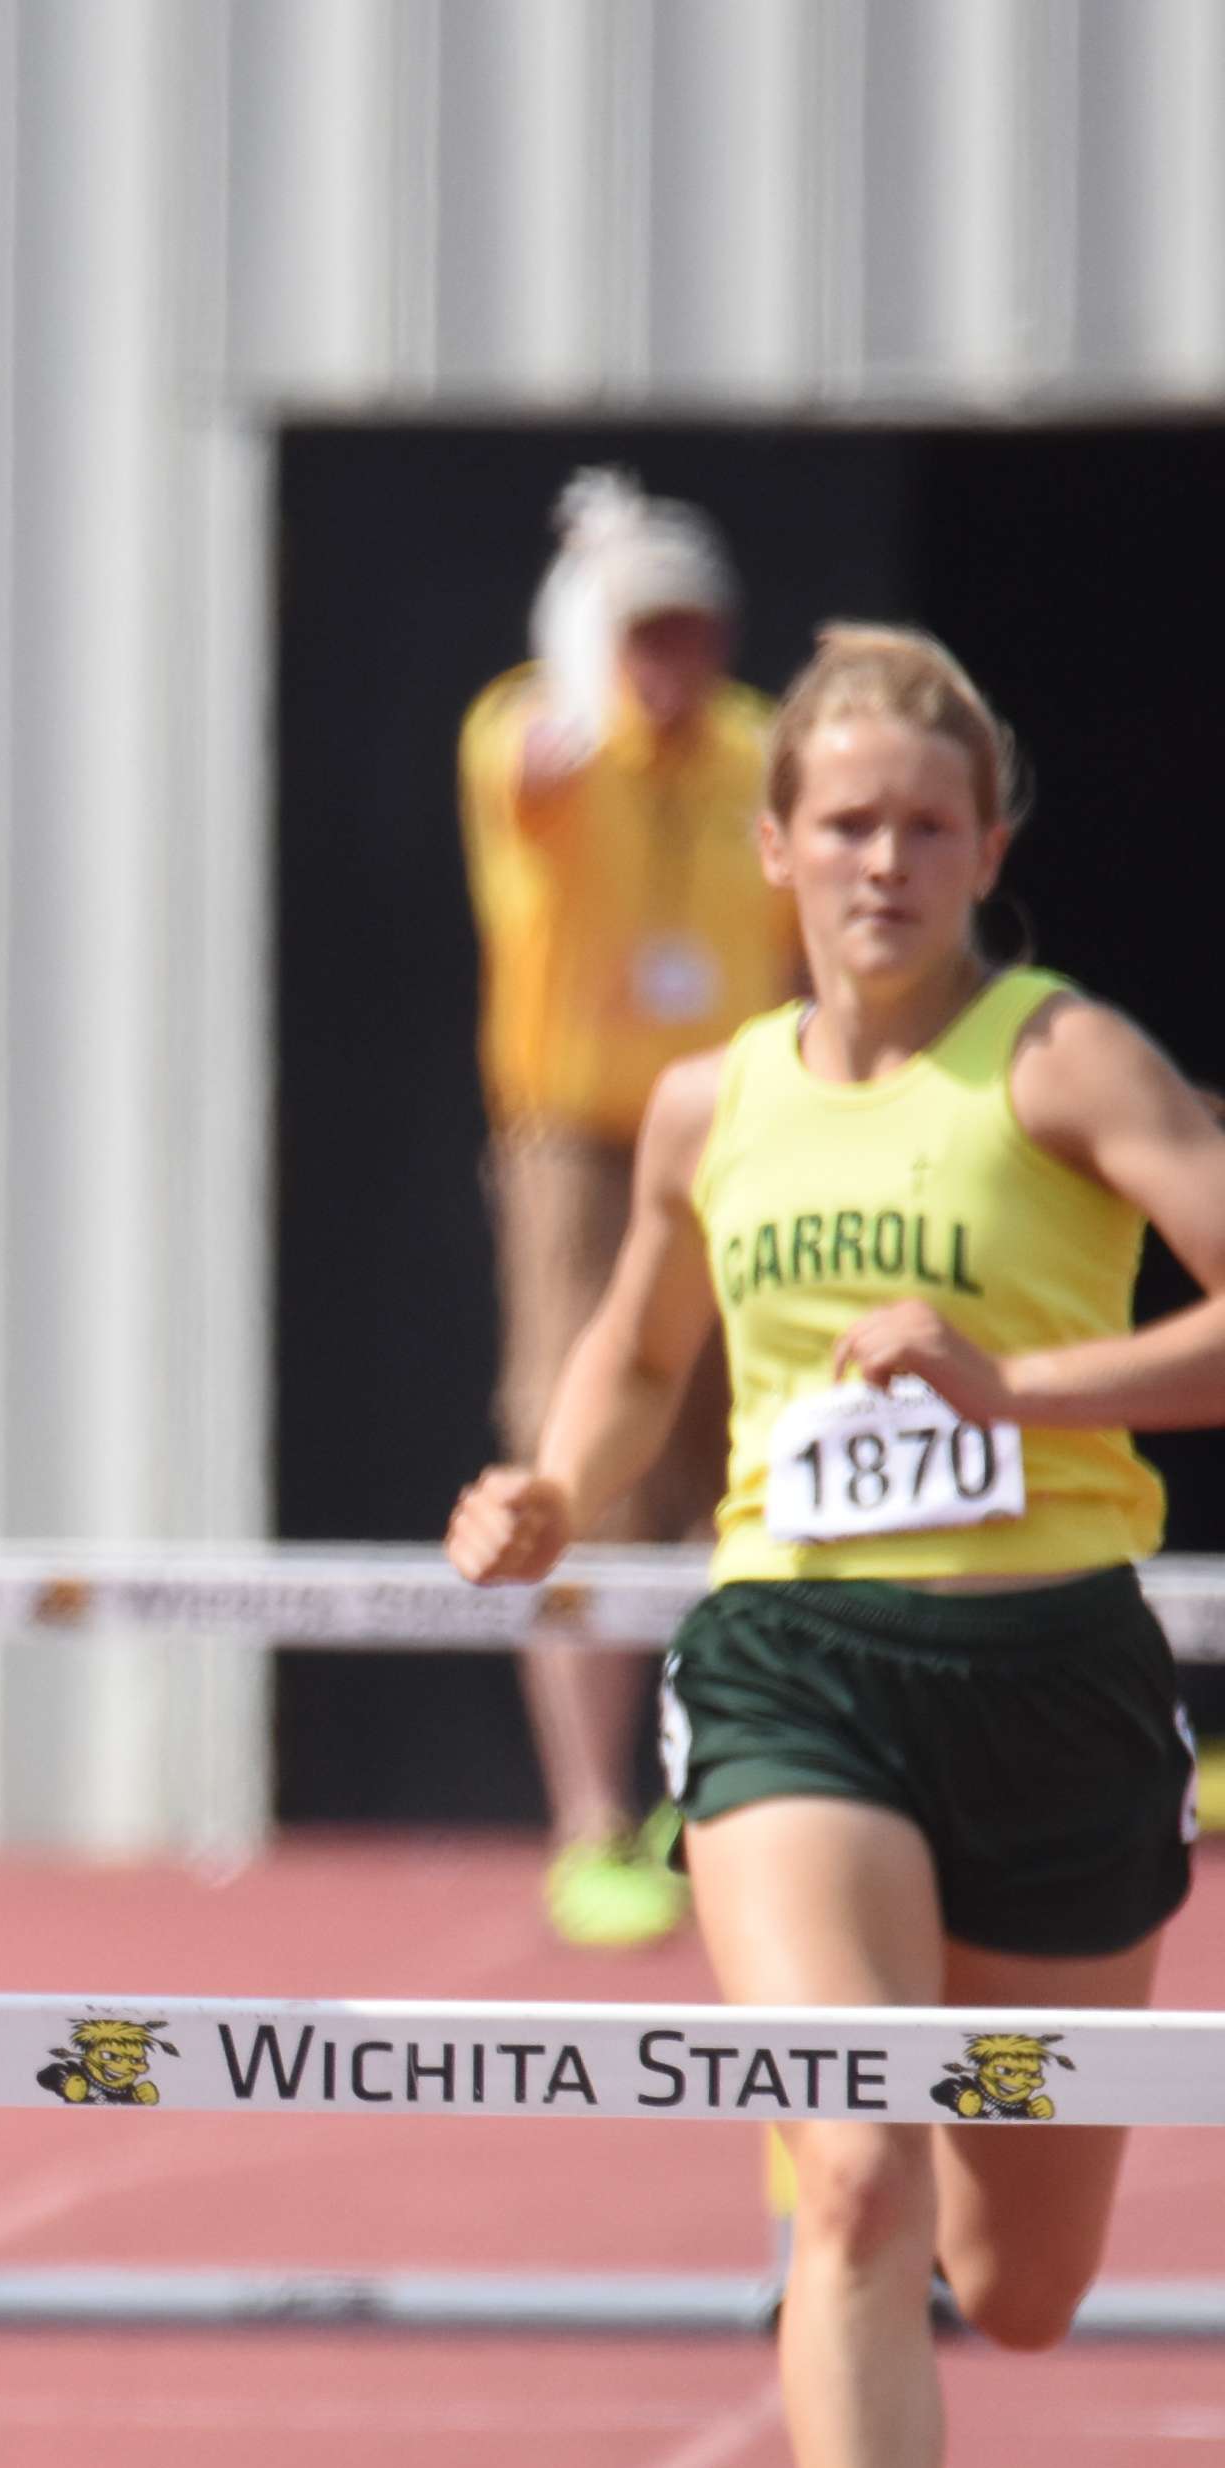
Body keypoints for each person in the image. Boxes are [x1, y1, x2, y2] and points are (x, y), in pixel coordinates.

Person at [449, 624, 1217, 2468]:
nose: (881, 863)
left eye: (924, 827)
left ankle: (904, 2244)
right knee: (857, 2160)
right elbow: (624, 1355)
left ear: (987, 848)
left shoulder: (1058, 1064)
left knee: (1032, 2284)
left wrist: (1023, 1390)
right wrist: (555, 1502)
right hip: (793, 1663)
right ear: (773, 847)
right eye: (844, 826)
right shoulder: (710, 1103)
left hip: (1058, 1682)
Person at [458, 471, 799, 1946]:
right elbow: (544, 763)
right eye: (640, 633)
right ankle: (587, 1814)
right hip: (583, 1143)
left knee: (752, 1452)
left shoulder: (762, 749)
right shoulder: (537, 730)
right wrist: (575, 621)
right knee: (570, 1442)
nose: (671, 663)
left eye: (690, 631)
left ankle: (715, 1779)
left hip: (746, 1127)